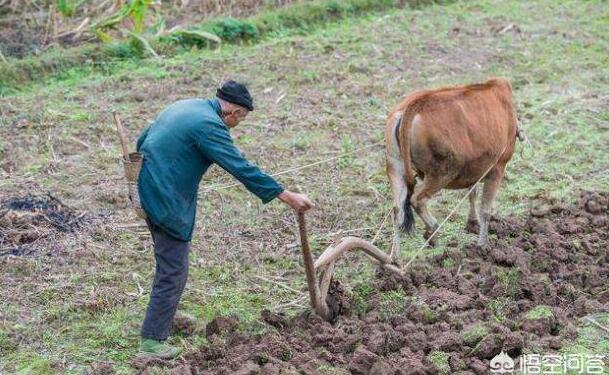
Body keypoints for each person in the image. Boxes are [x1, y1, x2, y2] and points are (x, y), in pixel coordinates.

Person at [135, 80, 314, 359]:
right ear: (236, 112)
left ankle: (164, 314)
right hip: (165, 198)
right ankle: (151, 342)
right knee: (174, 268)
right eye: (242, 117)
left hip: (146, 186)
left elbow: (143, 138)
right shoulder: (210, 125)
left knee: (169, 261)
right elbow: (239, 166)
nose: (238, 123)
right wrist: (285, 195)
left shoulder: (188, 106)